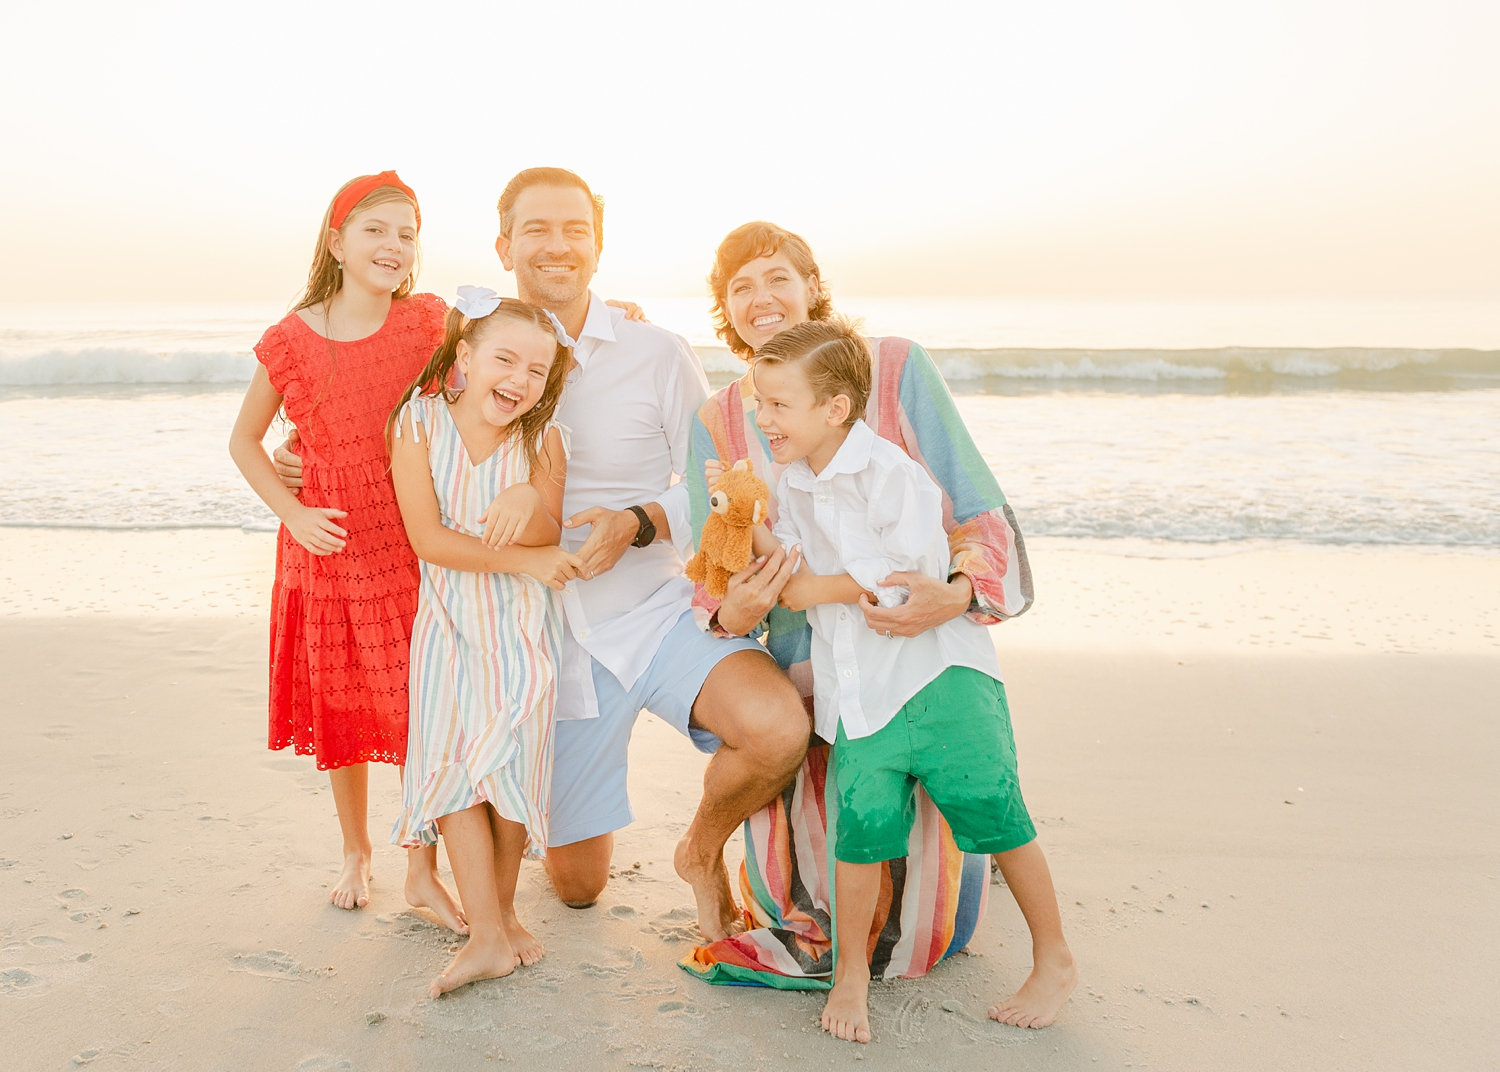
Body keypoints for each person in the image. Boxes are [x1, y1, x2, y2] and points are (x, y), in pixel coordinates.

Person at [681, 221, 1030, 989]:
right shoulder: (718, 418)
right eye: (739, 286)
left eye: (777, 276)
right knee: (812, 914)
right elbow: (712, 564)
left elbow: (978, 511)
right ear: (724, 310)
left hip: (918, 650)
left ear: (813, 286)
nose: (760, 296)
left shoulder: (896, 368)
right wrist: (734, 607)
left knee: (937, 931)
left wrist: (959, 592)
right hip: (810, 667)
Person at [485, 169, 809, 941]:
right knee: (577, 889)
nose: (558, 246)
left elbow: (710, 481)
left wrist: (636, 521)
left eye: (576, 230)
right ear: (504, 246)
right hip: (547, 640)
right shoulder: (477, 351)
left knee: (777, 729)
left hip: (657, 612)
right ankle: (547, 824)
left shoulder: (657, 351)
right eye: (537, 230)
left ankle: (698, 850)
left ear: (598, 247)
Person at [749, 319, 1076, 1043]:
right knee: (859, 834)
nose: (761, 419)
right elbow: (791, 564)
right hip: (858, 693)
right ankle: (852, 976)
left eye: (777, 405)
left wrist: (813, 590)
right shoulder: (791, 479)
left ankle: (1054, 958)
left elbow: (897, 582)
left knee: (993, 809)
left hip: (940, 679)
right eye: (759, 403)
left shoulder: (894, 473)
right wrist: (744, 521)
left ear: (835, 409)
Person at [228, 171, 464, 929]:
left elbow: (506, 355)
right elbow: (245, 441)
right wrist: (292, 511)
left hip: (406, 541)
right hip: (327, 547)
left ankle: (420, 861)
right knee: (345, 705)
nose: (393, 246)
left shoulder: (428, 323)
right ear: (336, 242)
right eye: (375, 230)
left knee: (417, 707)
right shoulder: (291, 341)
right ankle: (356, 849)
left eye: (406, 233)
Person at [388, 287, 584, 997]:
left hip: (519, 633)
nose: (520, 381)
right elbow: (429, 540)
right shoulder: (418, 423)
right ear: (465, 357)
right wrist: (525, 559)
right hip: (446, 625)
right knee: (451, 769)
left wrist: (529, 500)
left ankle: (495, 921)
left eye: (536, 370)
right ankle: (489, 934)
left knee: (503, 771)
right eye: (505, 359)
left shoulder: (545, 441)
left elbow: (550, 535)